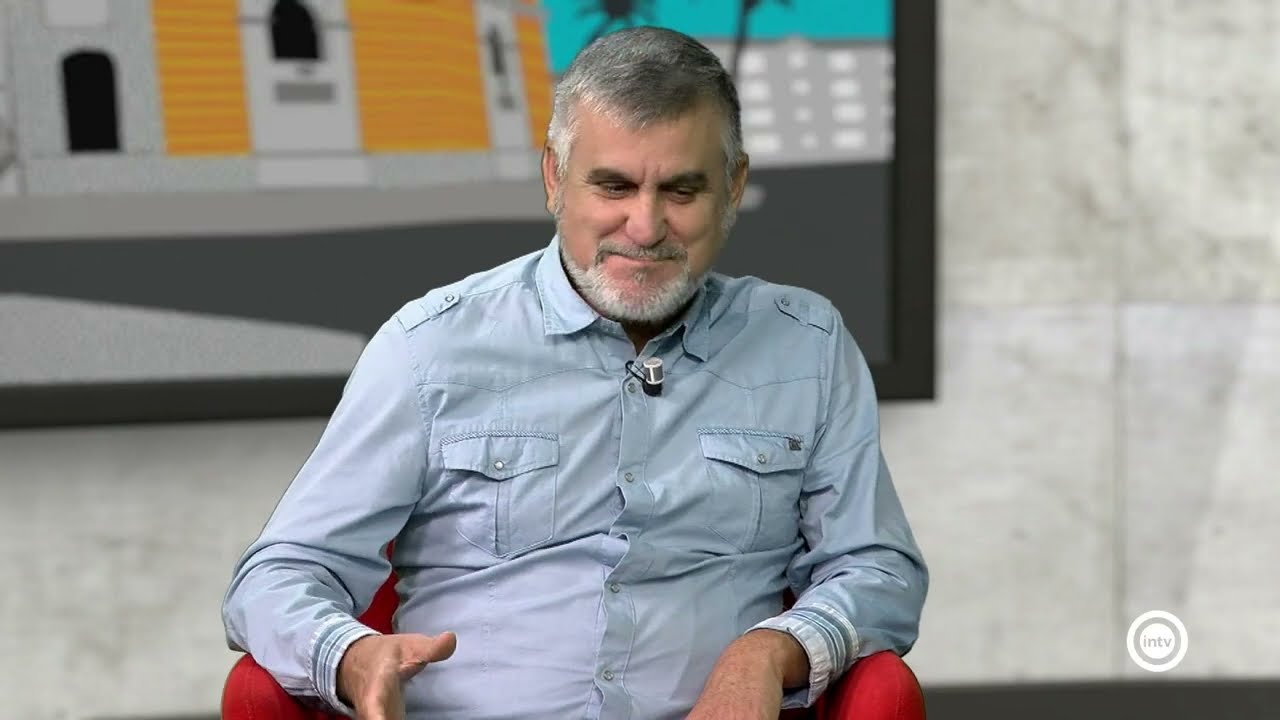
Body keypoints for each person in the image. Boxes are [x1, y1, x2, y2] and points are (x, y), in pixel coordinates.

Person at [222, 26, 927, 720]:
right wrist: (349, 655)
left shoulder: (807, 345)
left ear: (733, 187)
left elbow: (879, 570)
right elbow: (276, 577)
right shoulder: (427, 347)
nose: (645, 227)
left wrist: (769, 653)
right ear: (555, 178)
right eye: (613, 186)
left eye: (682, 190)